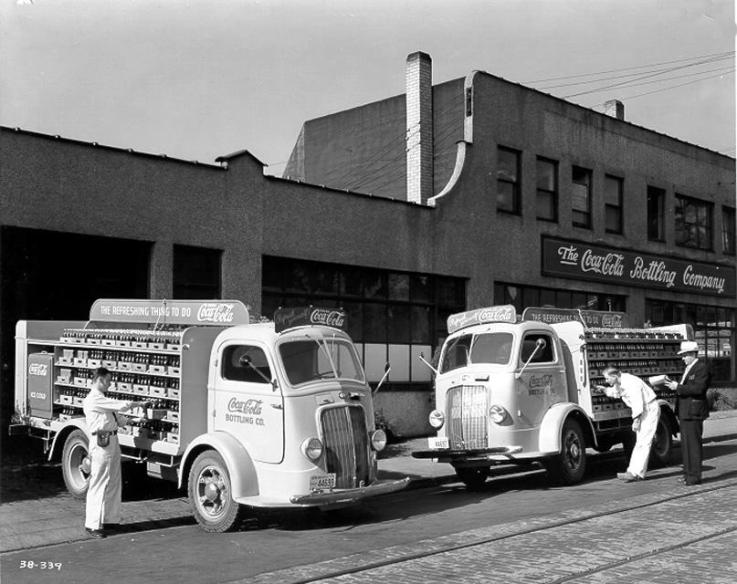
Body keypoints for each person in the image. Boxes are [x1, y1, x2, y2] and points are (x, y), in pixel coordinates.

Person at [83, 367, 149, 538]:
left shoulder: (103, 400)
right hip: (101, 443)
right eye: (108, 380)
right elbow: (120, 405)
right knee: (99, 482)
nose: (110, 383)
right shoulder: (94, 399)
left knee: (113, 481)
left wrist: (136, 420)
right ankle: (92, 524)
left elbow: (118, 420)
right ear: (100, 379)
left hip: (112, 440)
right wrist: (139, 404)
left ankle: (110, 520)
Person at [595, 366, 660, 482]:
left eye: (607, 378)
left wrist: (636, 420)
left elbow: (637, 402)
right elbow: (616, 393)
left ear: (614, 376)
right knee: (640, 442)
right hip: (645, 409)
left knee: (644, 442)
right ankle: (633, 472)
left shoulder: (630, 383)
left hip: (648, 409)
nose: (606, 381)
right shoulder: (620, 382)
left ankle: (637, 473)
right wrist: (604, 390)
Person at [665, 341, 712, 486]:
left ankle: (694, 477)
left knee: (693, 445)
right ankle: (688, 474)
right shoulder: (689, 368)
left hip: (693, 412)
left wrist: (677, 387)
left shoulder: (701, 368)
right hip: (686, 412)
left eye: (685, 355)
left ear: (692, 354)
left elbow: (698, 389)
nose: (683, 358)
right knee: (686, 445)